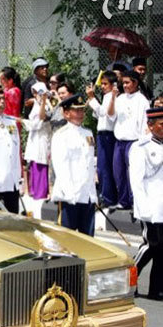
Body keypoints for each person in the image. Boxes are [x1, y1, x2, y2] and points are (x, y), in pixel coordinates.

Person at [129, 107, 163, 300]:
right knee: (151, 245)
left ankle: (157, 289)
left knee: (162, 249)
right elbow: (136, 180)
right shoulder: (140, 147)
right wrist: (142, 208)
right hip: (150, 205)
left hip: (162, 206)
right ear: (150, 126)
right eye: (161, 124)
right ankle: (128, 278)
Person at [51, 95, 97, 236]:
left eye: (82, 110)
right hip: (70, 195)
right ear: (66, 113)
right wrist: (70, 194)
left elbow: (90, 163)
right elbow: (60, 167)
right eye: (76, 111)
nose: (80, 114)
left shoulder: (88, 133)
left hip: (87, 194)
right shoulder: (61, 135)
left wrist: (92, 193)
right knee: (67, 239)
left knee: (88, 240)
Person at [107, 70, 150, 209]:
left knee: (133, 174)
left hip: (134, 142)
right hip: (120, 141)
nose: (124, 85)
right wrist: (113, 98)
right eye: (123, 83)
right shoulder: (120, 98)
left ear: (135, 83)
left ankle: (135, 202)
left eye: (127, 82)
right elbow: (111, 115)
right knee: (118, 172)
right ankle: (124, 201)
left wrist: (142, 143)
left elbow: (145, 124)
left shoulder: (142, 101)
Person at [86, 71, 118, 208]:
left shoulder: (113, 97)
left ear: (113, 85)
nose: (103, 86)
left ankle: (108, 197)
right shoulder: (106, 96)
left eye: (105, 84)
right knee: (101, 166)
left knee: (105, 167)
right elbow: (98, 114)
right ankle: (105, 195)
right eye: (102, 84)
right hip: (102, 134)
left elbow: (104, 113)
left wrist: (92, 98)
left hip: (108, 134)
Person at [23, 82, 51, 201]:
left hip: (42, 137)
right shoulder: (36, 104)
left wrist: (23, 121)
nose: (35, 95)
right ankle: (34, 191)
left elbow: (39, 122)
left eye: (37, 92)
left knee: (41, 163)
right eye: (34, 93)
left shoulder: (47, 105)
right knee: (34, 163)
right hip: (34, 137)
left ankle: (41, 192)